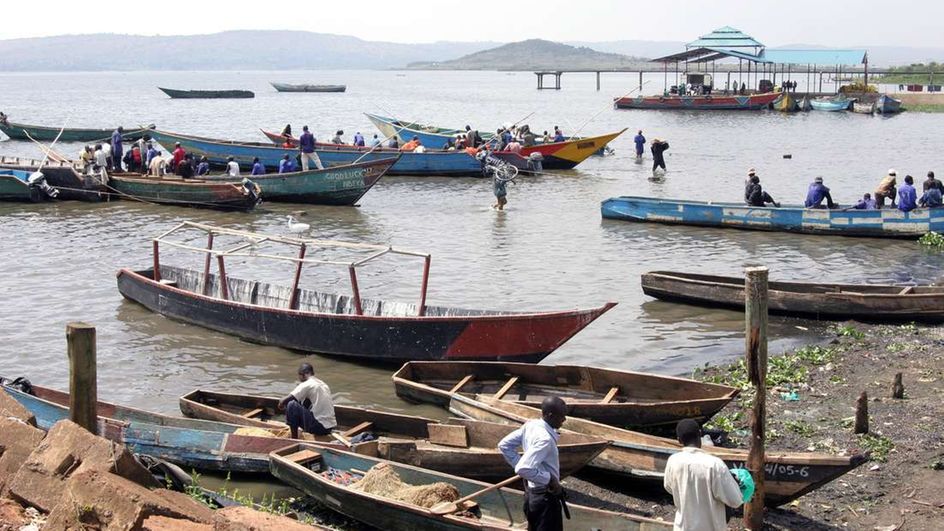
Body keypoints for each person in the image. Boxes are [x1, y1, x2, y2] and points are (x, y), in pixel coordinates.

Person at [498, 396, 568, 531]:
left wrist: (530, 472)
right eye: (562, 416)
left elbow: (504, 445)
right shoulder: (545, 439)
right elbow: (522, 468)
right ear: (550, 415)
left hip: (531, 495)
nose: (564, 420)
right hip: (545, 499)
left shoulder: (531, 425)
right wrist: (549, 479)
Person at [664, 419, 744, 531]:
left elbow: (669, 487)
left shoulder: (673, 461)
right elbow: (735, 501)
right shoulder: (715, 465)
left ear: (679, 440)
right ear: (700, 435)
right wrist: (734, 483)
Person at [277, 363, 337, 439]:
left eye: (299, 376)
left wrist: (281, 405)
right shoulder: (323, 384)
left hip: (319, 427)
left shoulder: (307, 384)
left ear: (302, 375)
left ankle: (294, 438)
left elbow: (284, 401)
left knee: (291, 404)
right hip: (329, 428)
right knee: (302, 401)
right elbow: (305, 403)